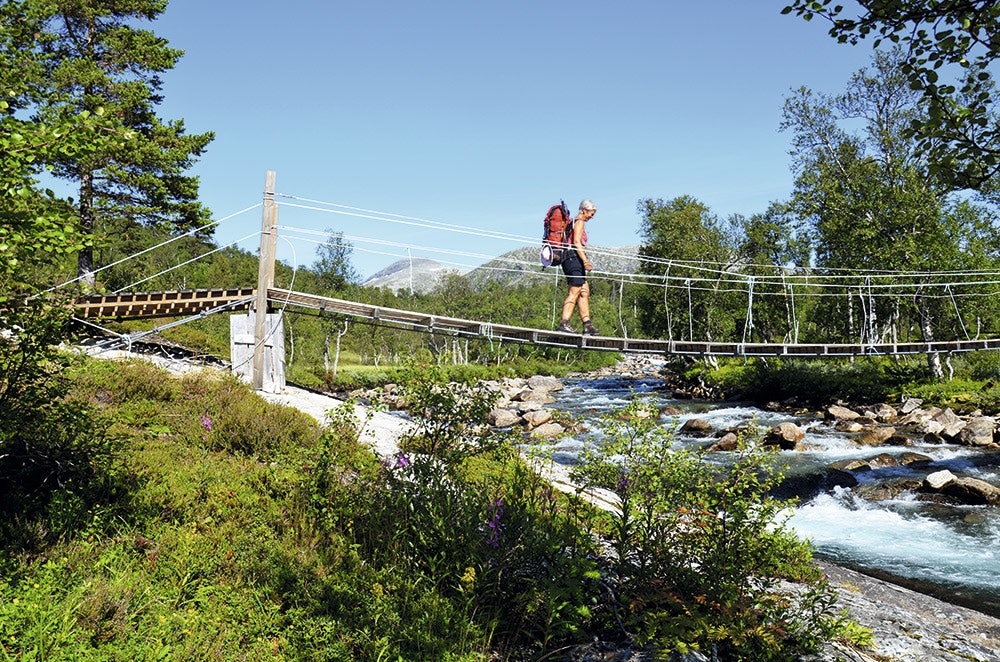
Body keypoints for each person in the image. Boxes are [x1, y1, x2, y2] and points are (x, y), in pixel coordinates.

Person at [556, 199, 600, 335]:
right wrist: (585, 261)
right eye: (591, 214)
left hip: (571, 258)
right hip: (573, 258)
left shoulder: (571, 223)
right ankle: (564, 323)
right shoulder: (579, 222)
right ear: (584, 210)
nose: (592, 217)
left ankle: (587, 324)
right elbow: (576, 242)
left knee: (584, 291)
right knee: (574, 292)